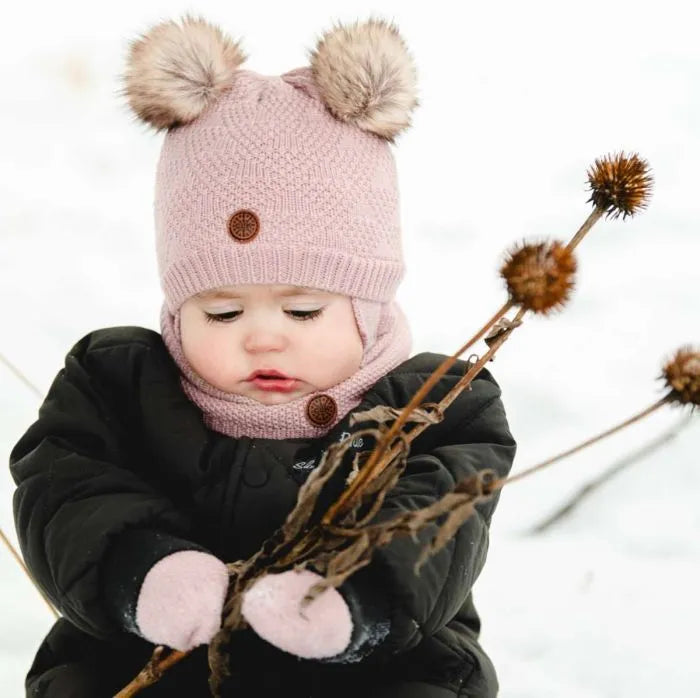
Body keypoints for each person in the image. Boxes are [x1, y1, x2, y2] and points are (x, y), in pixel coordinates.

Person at [9, 14, 517, 698]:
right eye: (221, 311)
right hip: (154, 659)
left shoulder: (433, 407)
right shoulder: (116, 387)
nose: (263, 336)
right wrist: (144, 572)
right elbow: (67, 494)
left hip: (371, 662)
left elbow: (437, 522)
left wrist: (350, 597)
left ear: (368, 306)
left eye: (304, 309)